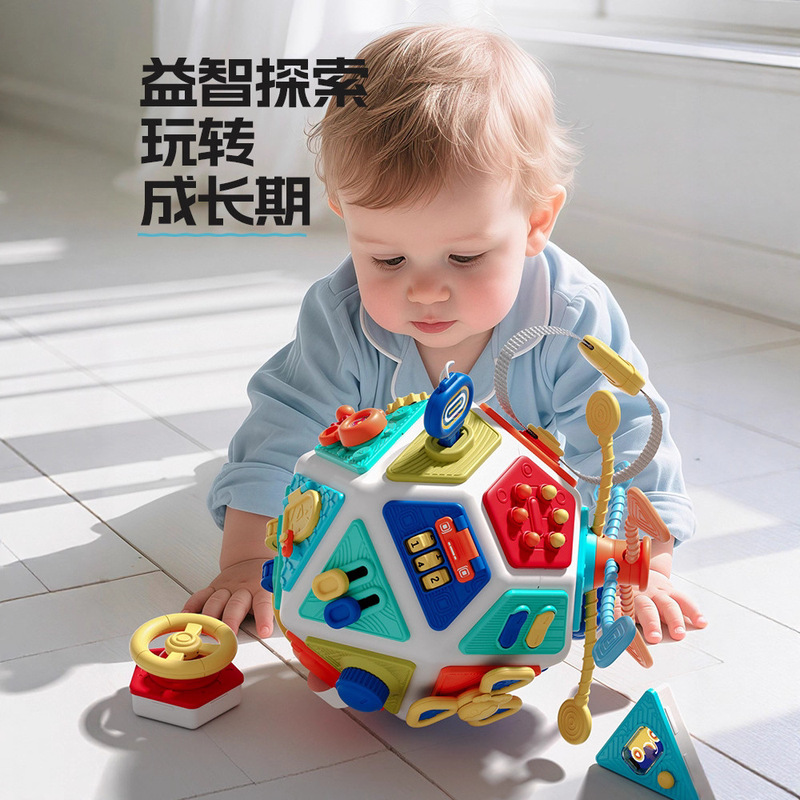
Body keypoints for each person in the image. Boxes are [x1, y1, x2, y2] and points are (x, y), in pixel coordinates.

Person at [184, 24, 707, 647]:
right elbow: (284, 426)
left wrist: (645, 571)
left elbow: (627, 440)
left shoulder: (569, 316)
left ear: (536, 222)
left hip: (509, 507)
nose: (426, 291)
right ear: (344, 215)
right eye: (388, 260)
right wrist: (249, 559)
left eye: (464, 258)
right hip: (393, 501)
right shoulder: (339, 314)